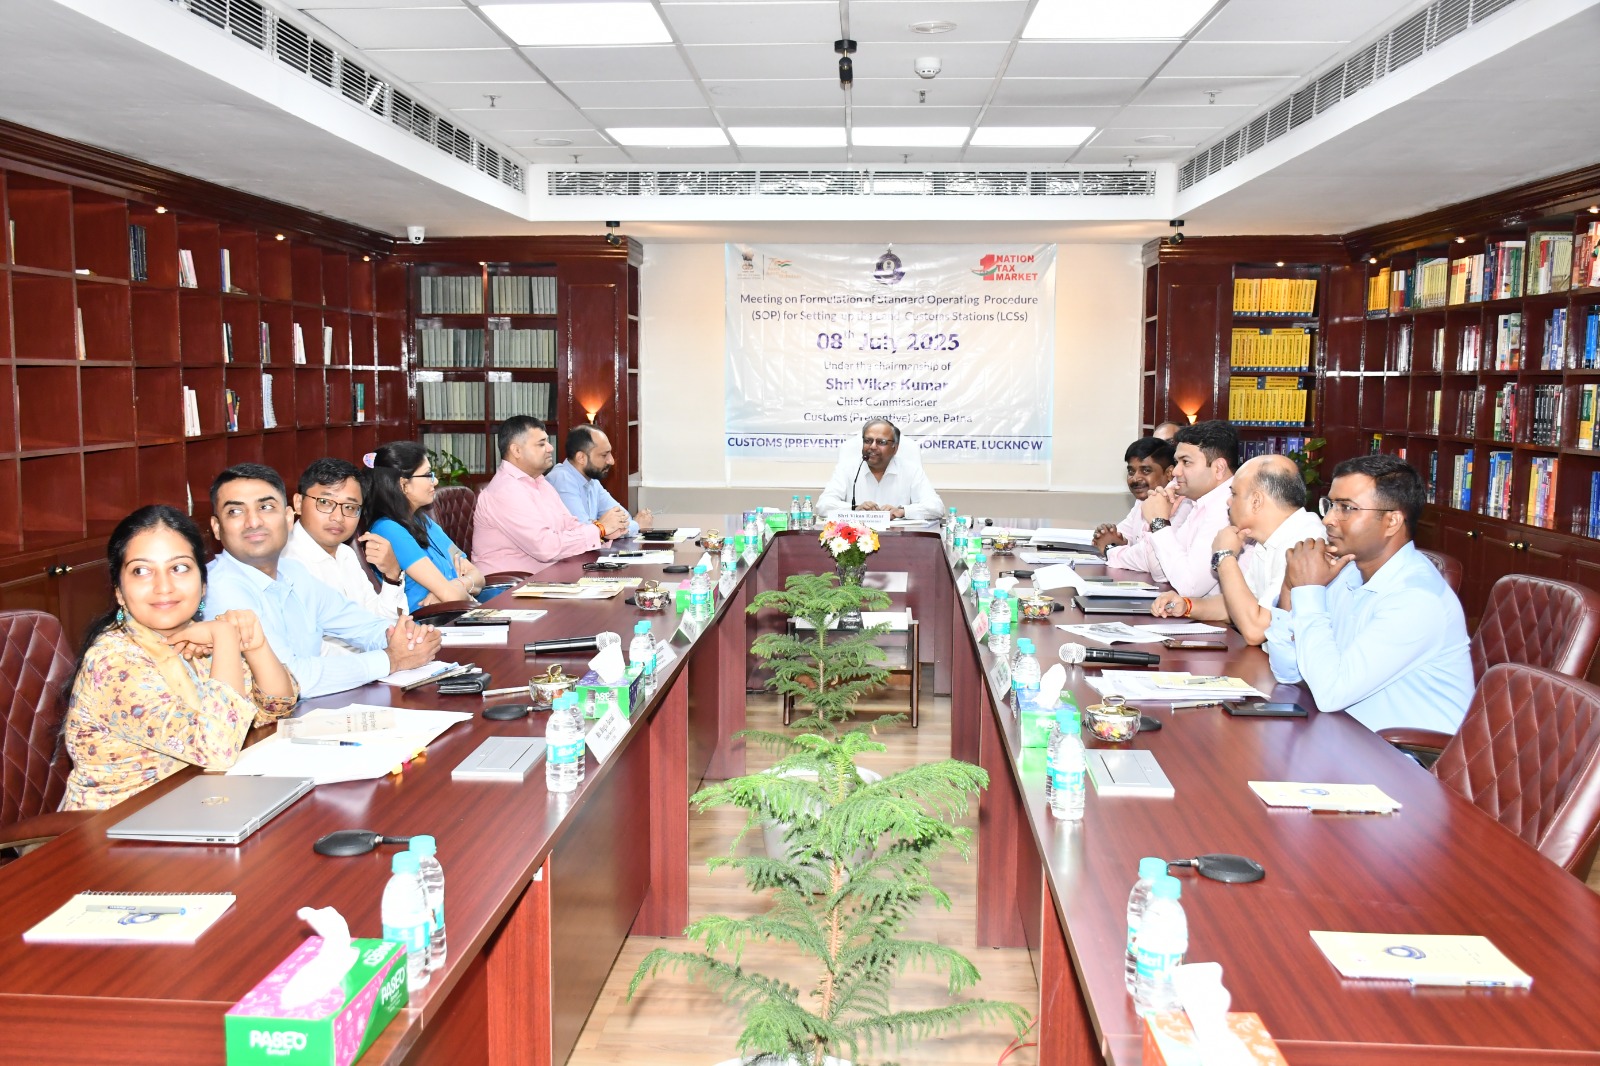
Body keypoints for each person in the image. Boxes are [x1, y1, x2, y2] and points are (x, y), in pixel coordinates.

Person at [59, 505, 297, 811]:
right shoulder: (114, 661)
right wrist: (226, 636)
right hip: (118, 825)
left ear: (203, 583)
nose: (164, 587)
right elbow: (218, 748)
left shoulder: (194, 636)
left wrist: (255, 645)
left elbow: (276, 708)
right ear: (119, 591)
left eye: (179, 568)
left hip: (191, 806)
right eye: (141, 571)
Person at [1265, 455, 1472, 734]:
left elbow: (1330, 694)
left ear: (1392, 521)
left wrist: (1309, 590)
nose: (1328, 519)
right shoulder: (1345, 573)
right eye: (1330, 505)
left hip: (1406, 754)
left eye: (1346, 508)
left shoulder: (1417, 599)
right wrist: (1291, 587)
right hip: (1347, 735)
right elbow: (1288, 673)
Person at [204, 463, 441, 699]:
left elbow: (360, 624)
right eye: (235, 511)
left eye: (266, 507)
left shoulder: (292, 572)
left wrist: (409, 638)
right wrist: (392, 659)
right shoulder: (221, 587)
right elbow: (290, 678)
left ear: (288, 518)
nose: (253, 522)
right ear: (216, 527)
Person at [1150, 454, 1327, 644]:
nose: (1228, 502)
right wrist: (1187, 605)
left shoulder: (1304, 543)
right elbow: (1241, 605)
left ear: (1256, 501)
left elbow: (1256, 630)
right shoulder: (1270, 538)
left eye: (1234, 494)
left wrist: (1224, 556)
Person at [281, 457, 408, 653]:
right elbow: (308, 650)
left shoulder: (345, 553)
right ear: (298, 503)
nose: (338, 517)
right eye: (324, 502)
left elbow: (381, 625)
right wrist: (382, 661)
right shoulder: (285, 562)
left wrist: (392, 576)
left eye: (350, 507)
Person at [1106, 420, 1237, 598]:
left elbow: (1190, 588)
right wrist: (1159, 521)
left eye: (1186, 462)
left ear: (1219, 468)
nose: (1175, 472)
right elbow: (1160, 572)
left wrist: (1159, 522)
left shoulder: (1227, 507)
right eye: (1177, 462)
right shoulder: (1199, 503)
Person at [473, 415, 613, 575]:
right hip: (511, 585)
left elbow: (570, 525)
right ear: (516, 450)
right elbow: (545, 548)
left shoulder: (540, 482)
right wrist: (599, 530)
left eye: (547, 441)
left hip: (547, 578)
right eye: (541, 444)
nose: (550, 448)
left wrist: (603, 533)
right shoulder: (505, 491)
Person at [363, 442, 488, 610]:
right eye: (428, 474)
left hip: (454, 613)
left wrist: (457, 585)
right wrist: (459, 591)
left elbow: (478, 576)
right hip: (427, 622)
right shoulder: (388, 530)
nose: (435, 481)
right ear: (403, 484)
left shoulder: (423, 521)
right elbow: (452, 596)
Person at [815, 419, 945, 521]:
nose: (872, 446)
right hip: (856, 540)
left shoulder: (911, 471)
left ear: (895, 448)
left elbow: (936, 508)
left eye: (881, 442)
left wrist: (902, 511)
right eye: (868, 441)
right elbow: (823, 506)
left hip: (899, 540)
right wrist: (855, 509)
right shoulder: (847, 469)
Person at [546, 425, 652, 538]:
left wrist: (600, 526)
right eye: (604, 455)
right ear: (581, 458)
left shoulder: (592, 481)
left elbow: (624, 518)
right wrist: (637, 525)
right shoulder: (562, 479)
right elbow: (583, 533)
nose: (611, 461)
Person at [1093, 437, 1183, 555]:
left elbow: (1148, 556)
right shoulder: (1142, 500)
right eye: (1131, 471)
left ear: (1169, 473)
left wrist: (1110, 549)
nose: (1135, 479)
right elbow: (1123, 536)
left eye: (1146, 471)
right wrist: (1112, 538)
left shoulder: (1180, 504)